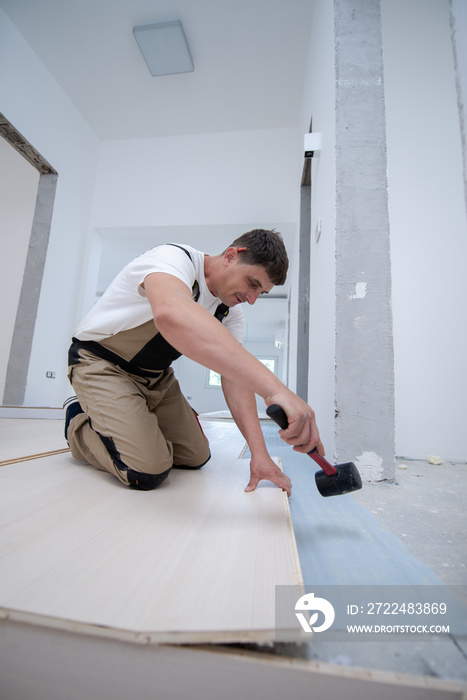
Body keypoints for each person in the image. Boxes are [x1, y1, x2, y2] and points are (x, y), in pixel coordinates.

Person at [64, 229, 324, 494]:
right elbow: (170, 314)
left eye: (262, 293)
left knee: (196, 456)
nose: (252, 299)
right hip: (102, 364)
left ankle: (129, 420)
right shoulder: (174, 259)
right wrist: (275, 390)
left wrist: (260, 455)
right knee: (147, 471)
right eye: (252, 283)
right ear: (232, 256)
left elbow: (234, 378)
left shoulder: (230, 313)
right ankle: (78, 422)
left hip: (155, 378)